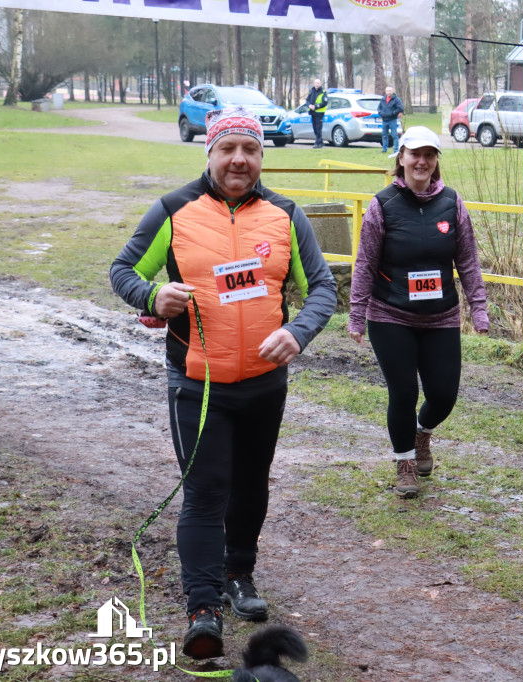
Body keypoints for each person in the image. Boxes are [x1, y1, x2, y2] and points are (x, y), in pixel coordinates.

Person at [110, 106, 337, 659]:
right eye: (228, 148)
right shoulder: (173, 210)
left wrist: (299, 332)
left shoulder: (285, 216)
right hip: (198, 382)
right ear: (209, 153)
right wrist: (152, 297)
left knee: (252, 483)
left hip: (264, 382)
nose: (240, 159)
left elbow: (324, 287)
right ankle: (203, 606)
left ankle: (240, 575)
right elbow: (123, 270)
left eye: (250, 150)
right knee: (207, 489)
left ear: (262, 156)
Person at [347, 126, 489, 499]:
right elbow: (364, 264)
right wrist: (356, 314)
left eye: (429, 154)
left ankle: (421, 434)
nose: (422, 161)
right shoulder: (382, 205)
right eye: (415, 154)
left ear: (436, 160)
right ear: (401, 158)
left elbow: (469, 261)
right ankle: (405, 462)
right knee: (404, 391)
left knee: (443, 394)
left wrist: (479, 309)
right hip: (390, 313)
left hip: (440, 316)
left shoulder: (452, 203)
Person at [378, 85, 404, 154]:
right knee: (384, 135)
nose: (388, 92)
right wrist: (381, 113)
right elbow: (379, 108)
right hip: (384, 120)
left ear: (392, 91)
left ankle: (396, 150)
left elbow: (400, 108)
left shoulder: (396, 99)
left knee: (394, 135)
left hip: (392, 120)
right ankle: (384, 149)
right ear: (385, 92)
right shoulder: (383, 99)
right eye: (387, 91)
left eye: (390, 91)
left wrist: (393, 113)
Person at [305, 78, 328, 148]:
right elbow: (307, 100)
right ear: (314, 84)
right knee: (315, 128)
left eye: (318, 83)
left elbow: (325, 102)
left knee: (318, 128)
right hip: (312, 112)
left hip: (319, 113)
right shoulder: (311, 91)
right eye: (315, 83)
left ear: (320, 84)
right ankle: (320, 142)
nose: (316, 84)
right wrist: (309, 105)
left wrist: (316, 106)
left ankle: (317, 143)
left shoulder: (323, 92)